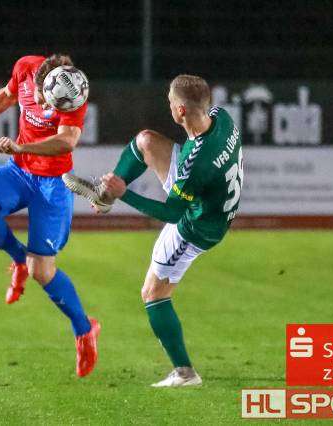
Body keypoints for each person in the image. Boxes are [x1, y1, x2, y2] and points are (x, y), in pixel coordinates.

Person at [63, 74, 243, 386]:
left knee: (153, 293)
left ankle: (185, 373)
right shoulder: (222, 118)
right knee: (146, 141)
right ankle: (103, 196)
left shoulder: (196, 164)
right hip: (206, 196)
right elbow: (194, 164)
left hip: (197, 227)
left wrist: (125, 194)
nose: (169, 107)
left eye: (171, 102)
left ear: (181, 111)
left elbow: (172, 213)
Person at [0, 54, 100, 377]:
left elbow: (67, 141)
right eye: (41, 97)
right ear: (38, 82)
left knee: (42, 271)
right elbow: (5, 96)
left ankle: (85, 330)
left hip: (53, 184)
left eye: (49, 103)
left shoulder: (72, 94)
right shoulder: (26, 67)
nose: (43, 105)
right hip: (19, 172)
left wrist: (21, 148)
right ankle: (18, 258)